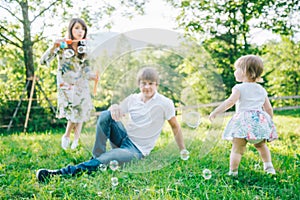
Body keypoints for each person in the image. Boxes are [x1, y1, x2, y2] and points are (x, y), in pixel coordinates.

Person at [36, 67, 187, 182]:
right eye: (143, 83)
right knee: (105, 114)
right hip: (124, 138)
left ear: (157, 85)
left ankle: (59, 173)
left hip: (136, 150)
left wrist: (182, 150)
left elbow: (175, 126)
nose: (147, 87)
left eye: (151, 84)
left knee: (110, 157)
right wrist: (114, 107)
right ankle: (98, 158)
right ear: (139, 84)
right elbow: (114, 113)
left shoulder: (165, 103)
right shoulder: (133, 99)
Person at [209, 55, 278, 176]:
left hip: (243, 123)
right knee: (261, 145)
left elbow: (229, 102)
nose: (235, 72)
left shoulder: (239, 88)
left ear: (246, 72)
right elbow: (268, 108)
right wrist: (269, 123)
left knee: (237, 149)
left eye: (237, 69)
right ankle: (269, 167)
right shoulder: (261, 89)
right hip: (258, 122)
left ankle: (233, 171)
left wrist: (216, 112)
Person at [40, 18, 98, 150]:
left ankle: (76, 141)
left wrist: (92, 76)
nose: (80, 31)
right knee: (74, 111)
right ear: (71, 29)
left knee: (81, 110)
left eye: (83, 29)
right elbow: (43, 61)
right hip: (66, 84)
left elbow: (86, 69)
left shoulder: (84, 49)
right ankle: (67, 136)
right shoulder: (62, 45)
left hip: (81, 83)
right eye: (77, 28)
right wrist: (53, 47)